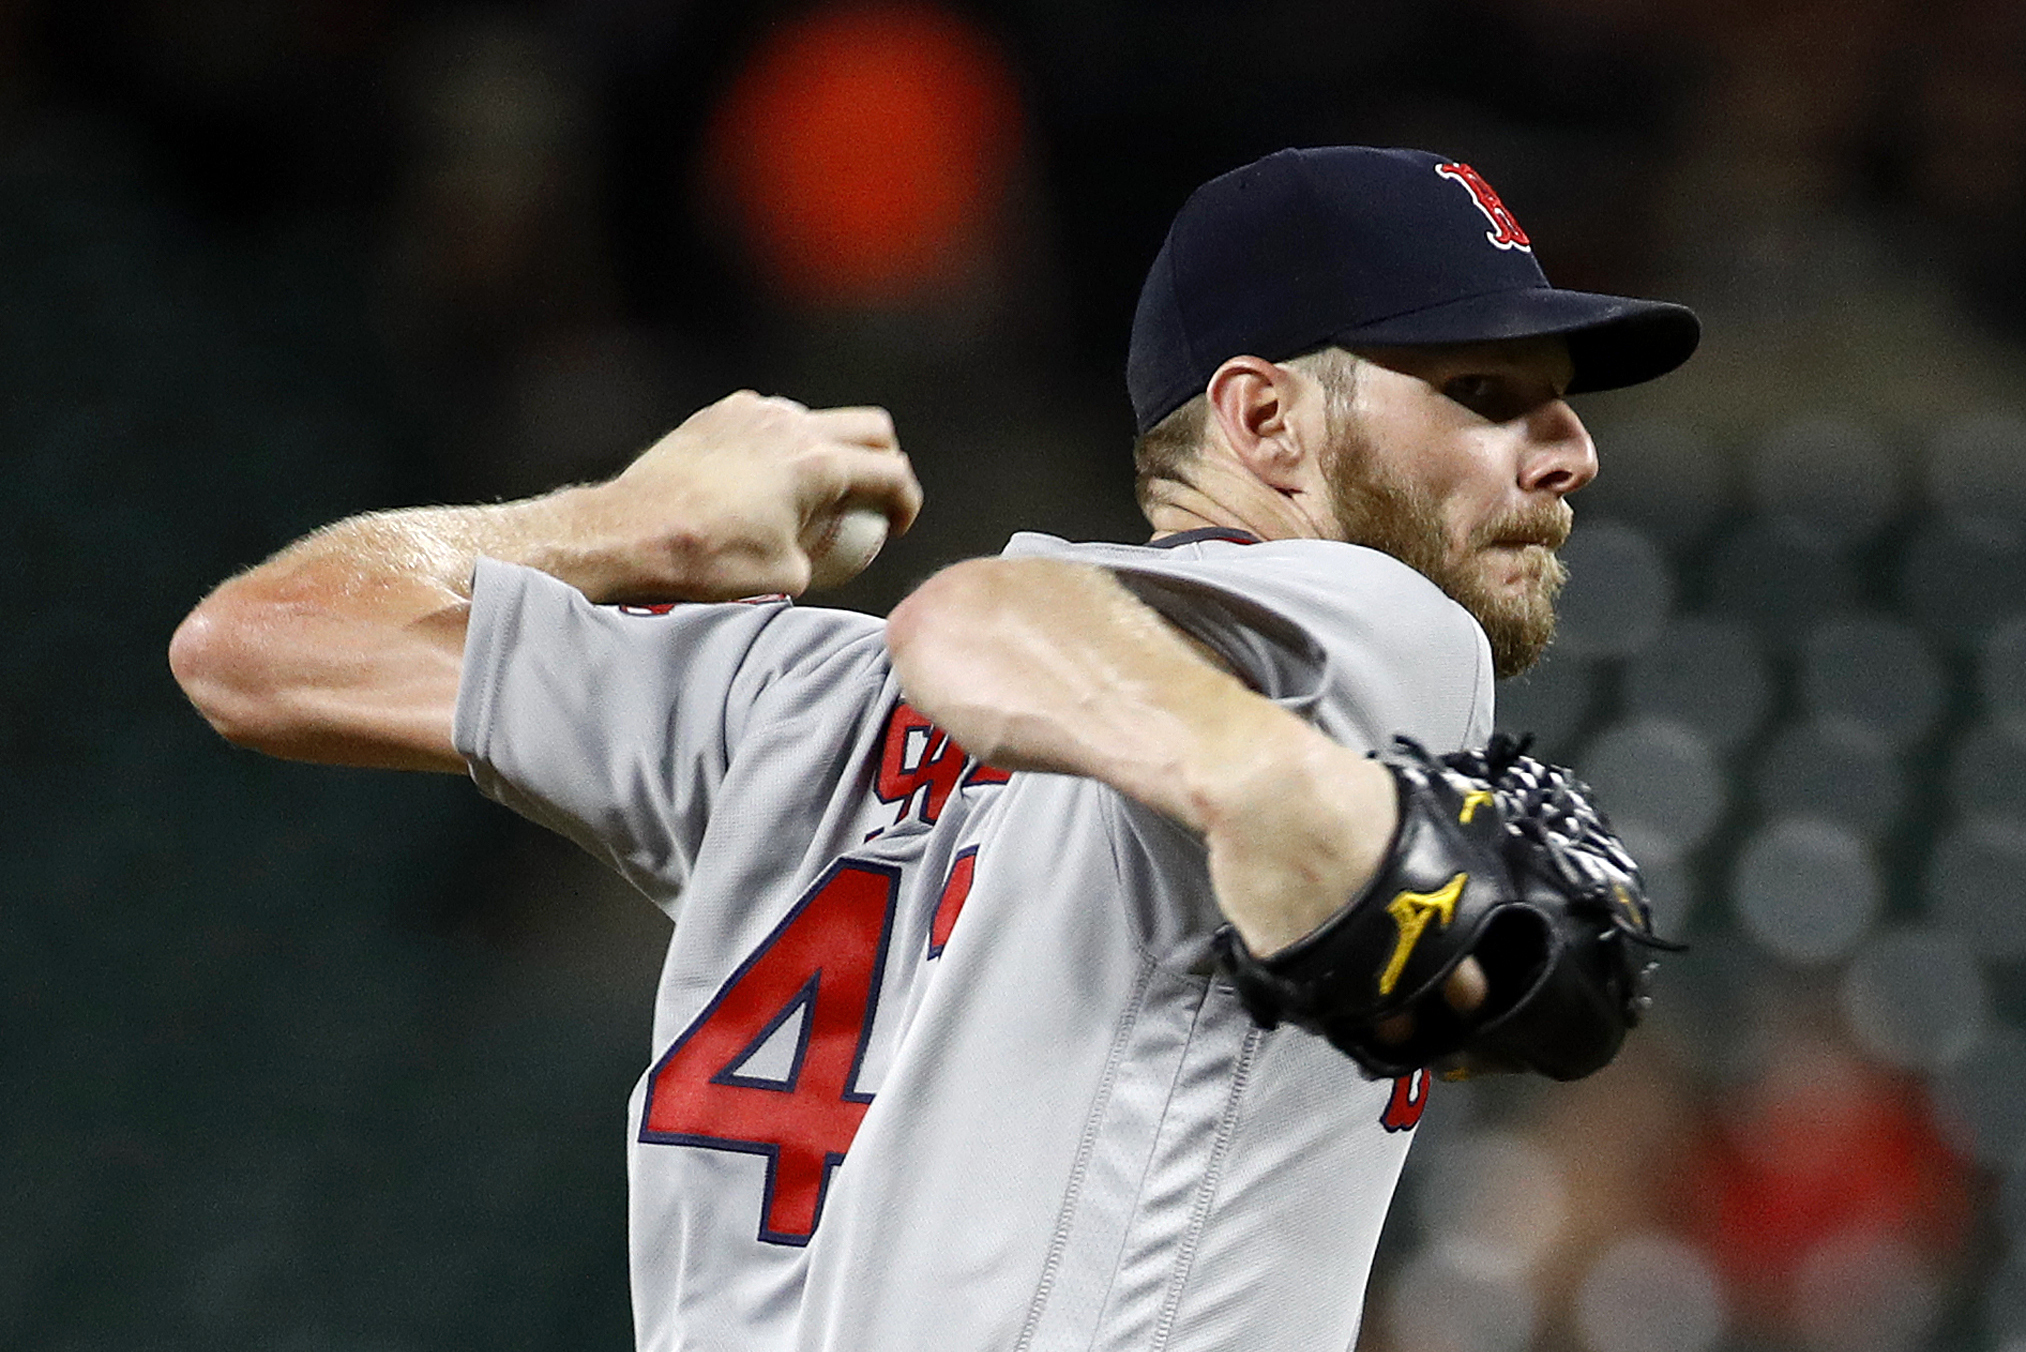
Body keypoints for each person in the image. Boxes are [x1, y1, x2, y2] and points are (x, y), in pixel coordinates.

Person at [169, 146, 1698, 1351]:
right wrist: (1282, 794)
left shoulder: (782, 704)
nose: (1566, 452)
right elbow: (976, 622)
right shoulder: (1370, 622)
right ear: (1268, 424)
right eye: (1487, 398)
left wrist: (609, 528)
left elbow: (257, 647)